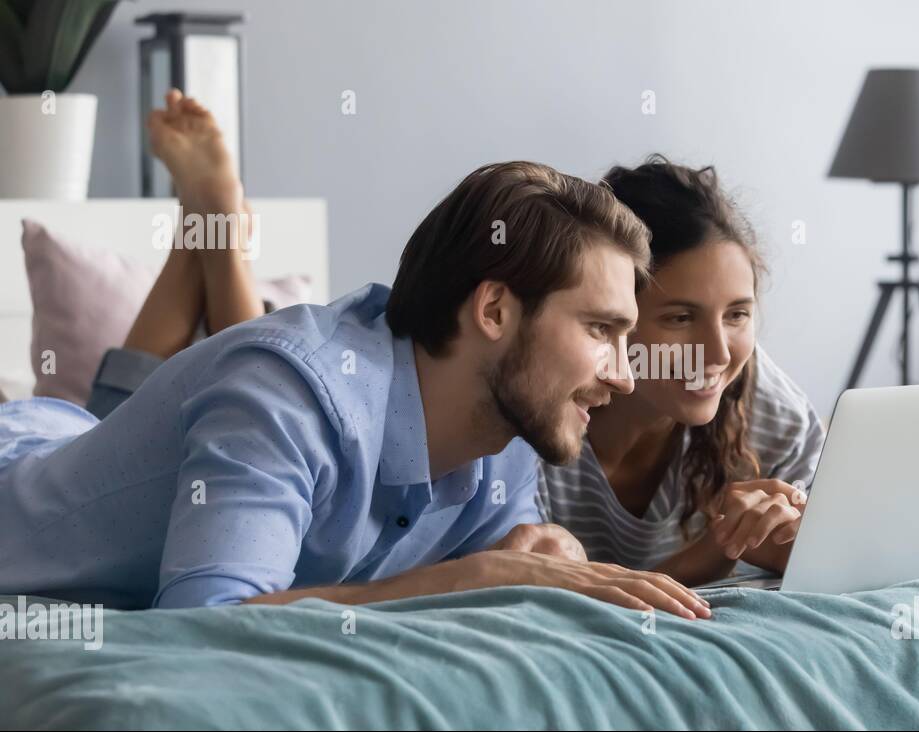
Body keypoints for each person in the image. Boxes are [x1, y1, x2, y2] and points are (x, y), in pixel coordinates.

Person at [0, 93, 711, 620]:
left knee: (113, 421)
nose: (624, 373)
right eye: (600, 330)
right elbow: (202, 625)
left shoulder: (515, 417)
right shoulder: (285, 393)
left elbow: (511, 570)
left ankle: (205, 231)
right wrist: (468, 576)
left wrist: (550, 555)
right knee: (103, 422)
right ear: (494, 309)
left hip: (103, 453)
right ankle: (214, 234)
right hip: (21, 478)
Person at [537, 157, 826, 587]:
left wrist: (799, 549)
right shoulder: (536, 418)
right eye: (680, 318)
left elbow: (845, 555)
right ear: (611, 316)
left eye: (737, 315)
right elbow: (536, 610)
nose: (718, 354)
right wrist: (715, 552)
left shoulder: (766, 407)